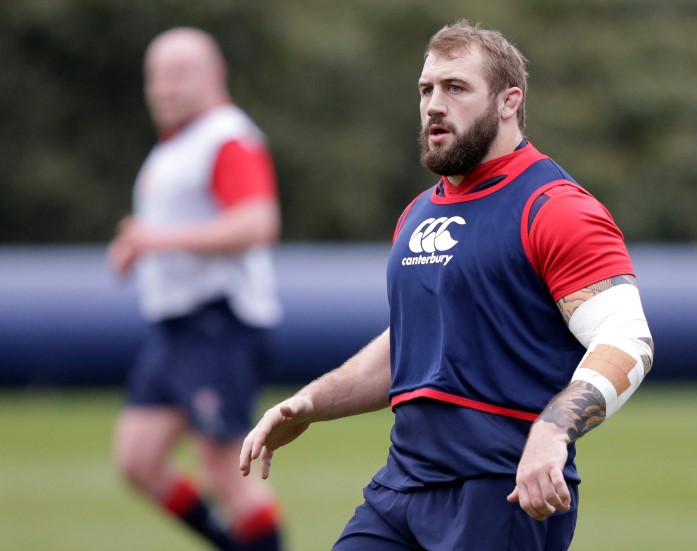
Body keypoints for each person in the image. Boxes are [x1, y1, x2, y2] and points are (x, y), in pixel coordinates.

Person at [240, 20, 654, 551]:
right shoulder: (418, 213)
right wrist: (310, 403)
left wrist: (552, 431)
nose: (435, 104)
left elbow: (628, 340)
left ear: (509, 102)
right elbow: (413, 346)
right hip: (401, 487)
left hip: (500, 493)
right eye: (426, 90)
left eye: (455, 88)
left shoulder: (555, 208)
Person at [108, 27, 284, 551]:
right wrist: (140, 246)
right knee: (138, 459)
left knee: (227, 469)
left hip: (218, 322)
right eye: (155, 75)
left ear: (216, 75)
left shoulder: (226, 136)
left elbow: (257, 222)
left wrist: (157, 240)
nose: (164, 87)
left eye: (179, 73)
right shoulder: (175, 147)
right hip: (177, 326)